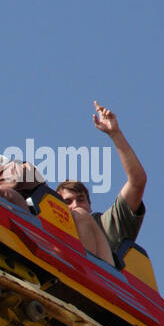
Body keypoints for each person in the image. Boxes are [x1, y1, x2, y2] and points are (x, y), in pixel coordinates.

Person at [56, 102, 147, 265]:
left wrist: (115, 134)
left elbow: (137, 181)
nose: (75, 205)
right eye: (67, 202)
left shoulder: (106, 225)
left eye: (80, 199)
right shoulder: (52, 222)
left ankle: (80, 268)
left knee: (81, 217)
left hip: (98, 280)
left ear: (90, 205)